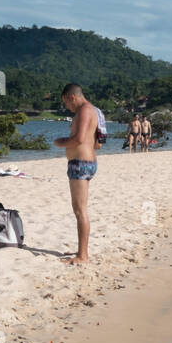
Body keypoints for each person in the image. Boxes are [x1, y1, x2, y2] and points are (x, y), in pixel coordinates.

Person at [54, 84, 98, 265]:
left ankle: (82, 256)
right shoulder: (91, 111)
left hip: (81, 164)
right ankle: (82, 251)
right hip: (84, 162)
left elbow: (79, 139)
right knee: (80, 210)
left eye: (66, 103)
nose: (67, 108)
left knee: (80, 211)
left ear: (72, 97)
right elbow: (98, 142)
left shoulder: (85, 111)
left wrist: (60, 142)